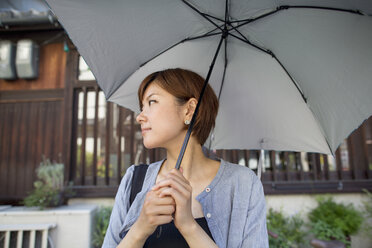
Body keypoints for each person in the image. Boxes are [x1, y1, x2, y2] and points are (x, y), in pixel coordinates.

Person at [102, 68, 269, 248]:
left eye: (152, 102)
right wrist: (140, 228)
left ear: (189, 110)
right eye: (142, 107)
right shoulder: (134, 180)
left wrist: (189, 226)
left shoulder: (243, 184)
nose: (140, 117)